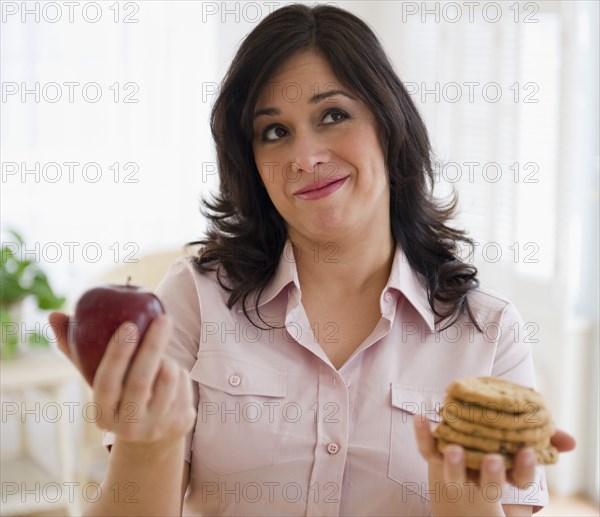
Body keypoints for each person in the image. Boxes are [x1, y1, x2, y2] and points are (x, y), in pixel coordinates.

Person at [49, 4, 575, 516]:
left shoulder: (490, 333)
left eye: (333, 115)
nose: (305, 158)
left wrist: (465, 498)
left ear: (390, 126)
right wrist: (149, 445)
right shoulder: (193, 300)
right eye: (274, 131)